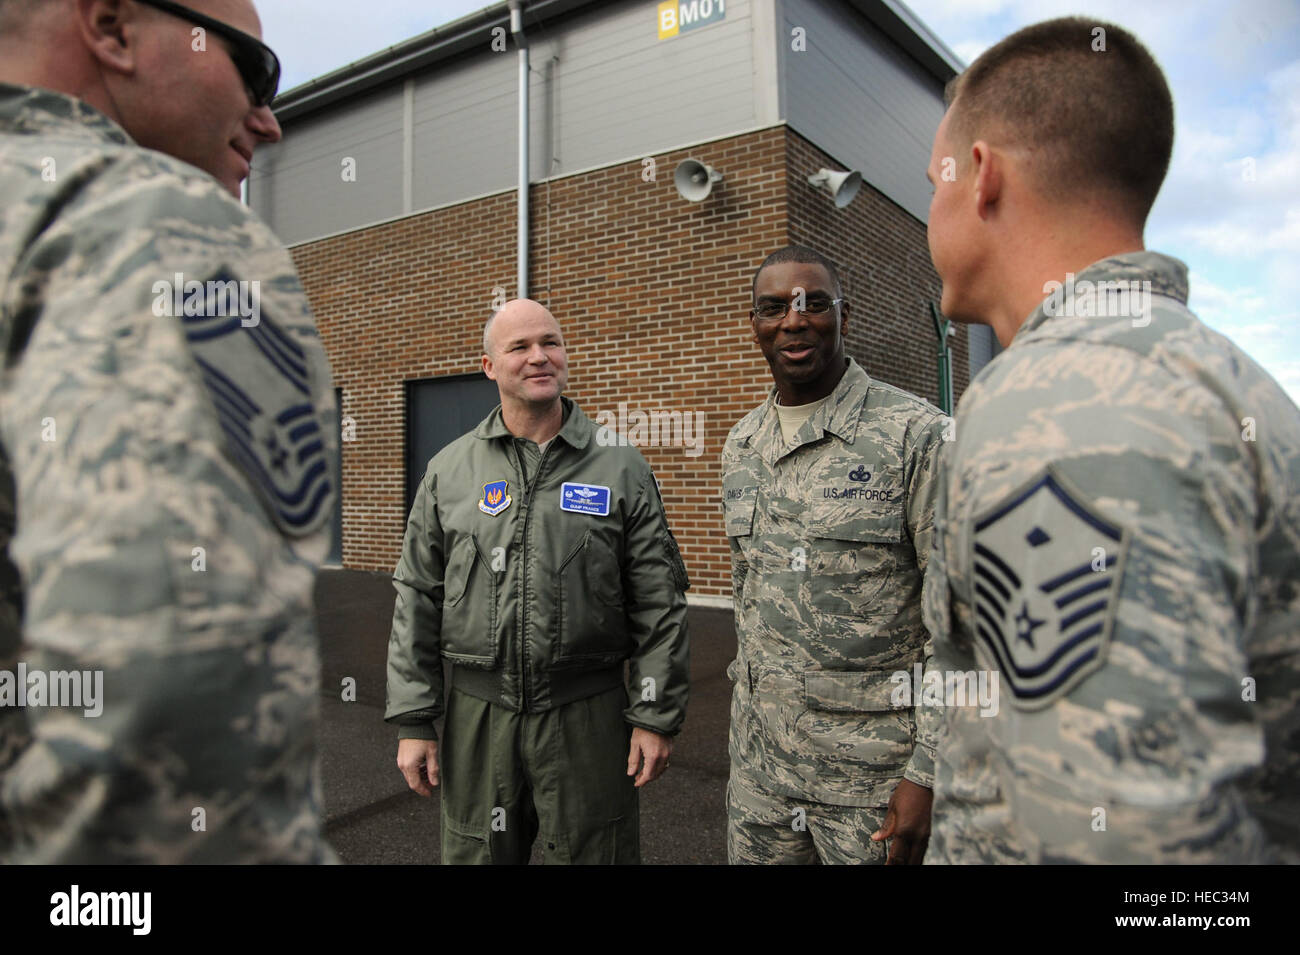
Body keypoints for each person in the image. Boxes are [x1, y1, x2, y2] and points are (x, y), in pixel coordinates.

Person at [923, 16, 1300, 863]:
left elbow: (1128, 839)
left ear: (981, 177)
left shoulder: (1060, 402)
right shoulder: (1229, 380)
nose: (930, 209)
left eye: (933, 179)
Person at [0, 0, 338, 862]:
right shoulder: (146, 220)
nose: (269, 119)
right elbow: (174, 708)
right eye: (253, 70)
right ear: (111, 27)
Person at [386, 299, 690, 864]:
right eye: (519, 347)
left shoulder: (620, 465)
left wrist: (654, 713)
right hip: (479, 717)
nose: (538, 357)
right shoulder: (448, 472)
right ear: (488, 366)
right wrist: (413, 719)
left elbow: (659, 601)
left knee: (594, 854)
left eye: (550, 342)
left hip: (588, 717)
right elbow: (417, 599)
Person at [722, 245, 947, 864]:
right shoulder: (742, 445)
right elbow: (748, 605)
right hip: (762, 781)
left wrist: (927, 772)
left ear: (848, 315)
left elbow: (967, 627)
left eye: (813, 304)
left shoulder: (918, 437)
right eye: (774, 309)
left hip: (874, 785)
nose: (794, 321)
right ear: (756, 325)